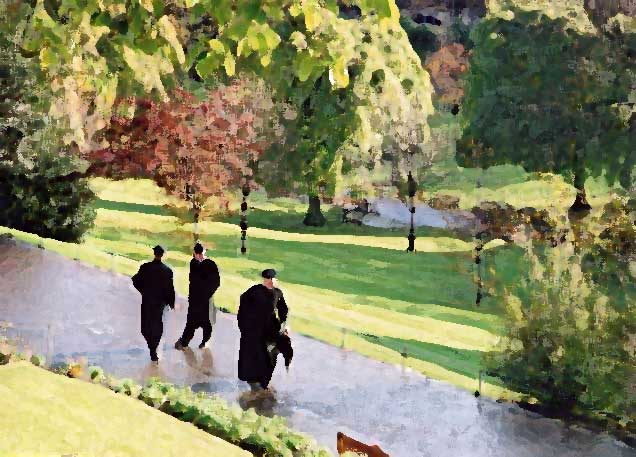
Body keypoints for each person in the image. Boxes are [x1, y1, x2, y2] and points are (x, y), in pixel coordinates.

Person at [237, 268, 291, 392]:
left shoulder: (278, 293)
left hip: (271, 329)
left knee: (271, 354)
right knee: (254, 354)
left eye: (273, 279)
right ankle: (253, 379)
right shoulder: (255, 290)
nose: (271, 281)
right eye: (269, 279)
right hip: (254, 329)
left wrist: (285, 325)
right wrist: (244, 324)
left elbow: (283, 310)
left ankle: (264, 380)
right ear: (265, 279)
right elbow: (243, 303)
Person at [132, 245, 175, 362]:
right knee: (157, 326)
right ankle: (153, 348)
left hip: (147, 300)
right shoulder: (167, 271)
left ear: (154, 253)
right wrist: (171, 303)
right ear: (162, 255)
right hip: (160, 303)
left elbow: (135, 280)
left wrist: (143, 291)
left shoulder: (145, 267)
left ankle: (151, 347)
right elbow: (170, 289)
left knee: (146, 325)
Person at [175, 242, 220, 350]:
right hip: (195, 300)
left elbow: (216, 283)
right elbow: (192, 281)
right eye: (197, 254)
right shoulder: (193, 263)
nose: (200, 256)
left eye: (202, 254)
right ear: (194, 254)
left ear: (205, 253)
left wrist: (206, 294)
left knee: (207, 324)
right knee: (191, 322)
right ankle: (184, 342)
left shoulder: (211, 265)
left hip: (206, 300)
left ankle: (204, 342)